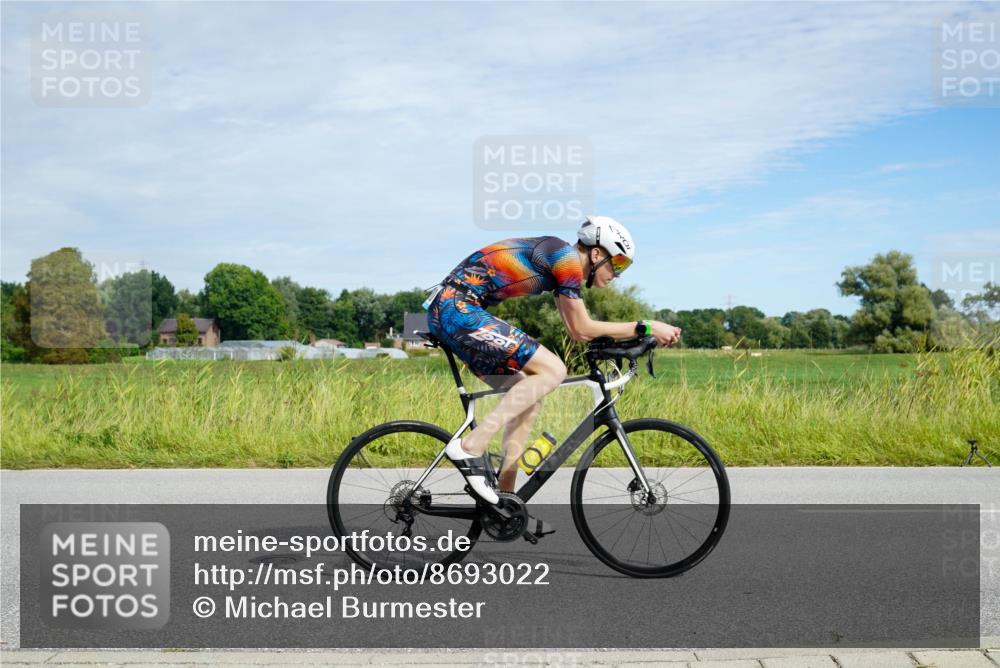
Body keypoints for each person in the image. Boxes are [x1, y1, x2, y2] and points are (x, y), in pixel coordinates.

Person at [425, 216, 682, 514]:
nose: (618, 274)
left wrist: (627, 341)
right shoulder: (566, 259)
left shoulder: (563, 268)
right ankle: (470, 446)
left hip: (452, 311)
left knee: (528, 398)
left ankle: (504, 502)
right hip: (457, 309)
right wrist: (647, 327)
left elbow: (576, 331)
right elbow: (583, 329)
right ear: (597, 253)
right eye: (619, 263)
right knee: (554, 370)